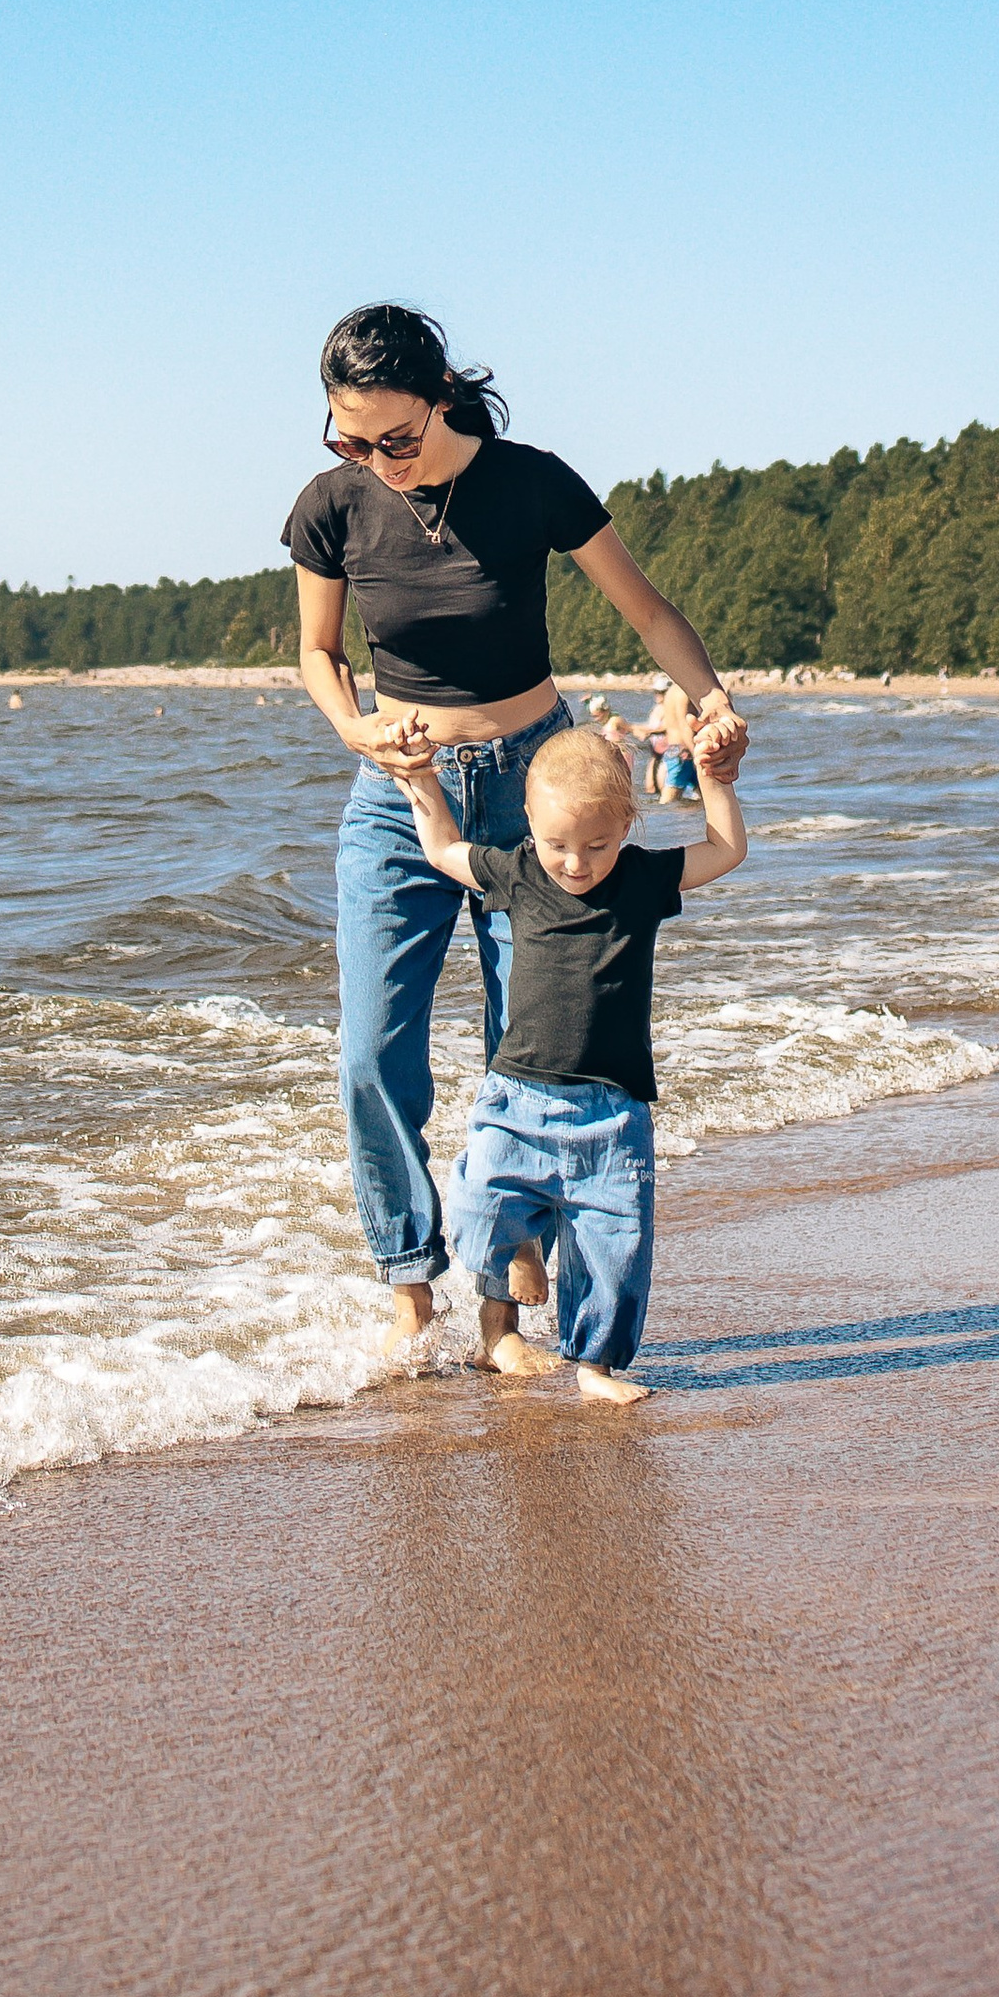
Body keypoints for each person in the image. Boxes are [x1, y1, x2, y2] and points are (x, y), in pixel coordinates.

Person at [287, 301, 749, 1355]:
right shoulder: (329, 506)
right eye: (348, 438)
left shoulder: (529, 479)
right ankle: (409, 1270)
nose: (374, 459)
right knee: (369, 1052)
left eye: (393, 439)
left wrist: (710, 697)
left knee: (532, 1046)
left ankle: (506, 1270)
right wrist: (359, 731)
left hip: (536, 786)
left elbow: (648, 611)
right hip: (401, 799)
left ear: (442, 399)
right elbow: (320, 655)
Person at [399, 716, 747, 1400]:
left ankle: (594, 1367)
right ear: (528, 820)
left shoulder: (643, 879)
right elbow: (442, 847)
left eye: (596, 843)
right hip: (516, 1096)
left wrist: (713, 778)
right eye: (558, 843)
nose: (576, 862)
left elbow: (725, 847)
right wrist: (418, 776)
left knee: (615, 1253)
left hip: (613, 1112)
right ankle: (522, 1243)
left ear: (627, 824)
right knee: (475, 1210)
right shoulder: (520, 872)